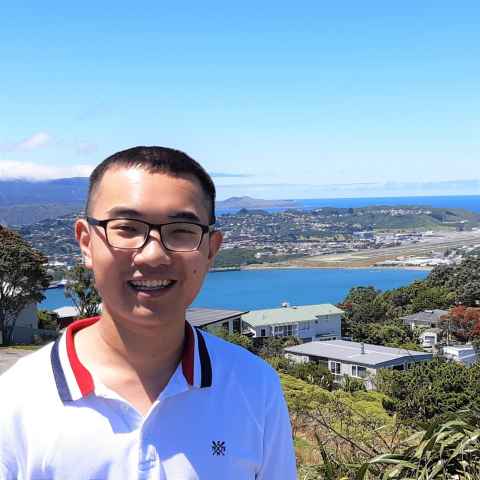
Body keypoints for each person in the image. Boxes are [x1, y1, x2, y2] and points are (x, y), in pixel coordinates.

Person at [0, 146, 297, 479]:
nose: (152, 254)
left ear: (210, 250)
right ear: (86, 242)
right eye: (127, 228)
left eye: (182, 231)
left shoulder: (253, 387)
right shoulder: (16, 400)